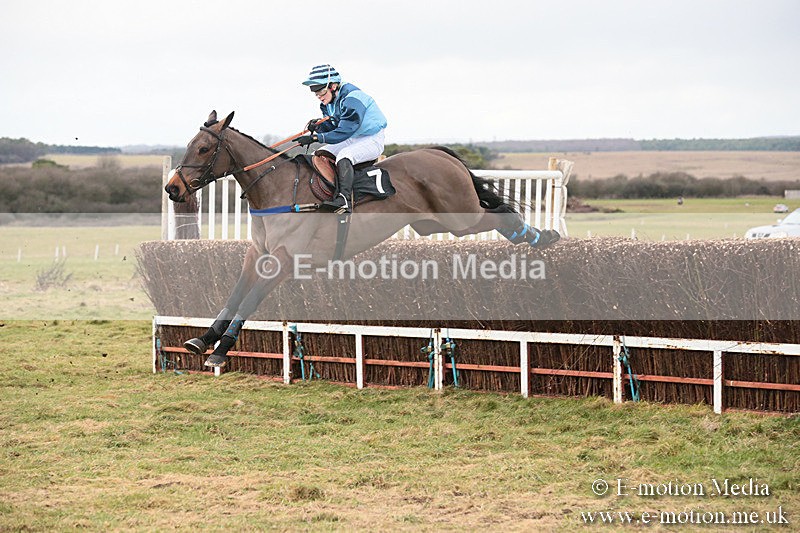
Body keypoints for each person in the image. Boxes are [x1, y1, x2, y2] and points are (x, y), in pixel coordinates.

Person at [294, 64, 387, 213]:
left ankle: (343, 199)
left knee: (345, 156)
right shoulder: (327, 104)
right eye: (316, 93)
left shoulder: (352, 99)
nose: (319, 96)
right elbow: (333, 127)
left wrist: (316, 138)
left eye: (321, 91)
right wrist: (318, 126)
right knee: (320, 153)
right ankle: (328, 193)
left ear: (333, 86)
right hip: (353, 137)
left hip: (371, 138)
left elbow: (344, 131)